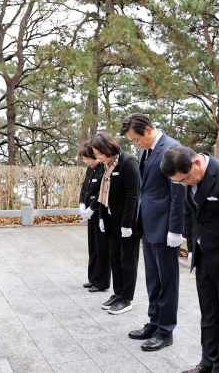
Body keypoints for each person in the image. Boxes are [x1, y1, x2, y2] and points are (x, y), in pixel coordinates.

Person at [160, 146, 219, 373]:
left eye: (185, 179)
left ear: (196, 163)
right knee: (209, 315)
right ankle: (206, 363)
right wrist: (192, 247)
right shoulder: (186, 180)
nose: (184, 184)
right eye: (178, 182)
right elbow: (190, 215)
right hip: (203, 258)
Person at [120, 113, 184, 352]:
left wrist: (175, 229)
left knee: (167, 281)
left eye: (136, 139)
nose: (135, 144)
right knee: (153, 279)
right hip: (147, 225)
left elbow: (178, 193)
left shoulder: (172, 149)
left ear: (148, 130)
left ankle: (165, 330)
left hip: (165, 227)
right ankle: (154, 321)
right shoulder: (145, 151)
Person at [91, 132, 140, 315]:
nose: (98, 157)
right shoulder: (107, 165)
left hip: (126, 222)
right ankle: (118, 293)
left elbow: (132, 195)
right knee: (115, 258)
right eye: (96, 154)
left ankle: (127, 298)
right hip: (111, 218)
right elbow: (104, 194)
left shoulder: (128, 162)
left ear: (107, 148)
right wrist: (102, 217)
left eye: (99, 153)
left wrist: (127, 224)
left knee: (127, 260)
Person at [78, 141, 110, 292]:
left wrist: (93, 207)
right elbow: (85, 187)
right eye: (84, 159)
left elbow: (101, 192)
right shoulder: (90, 169)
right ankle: (93, 278)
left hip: (100, 214)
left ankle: (102, 281)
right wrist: (82, 204)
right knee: (93, 247)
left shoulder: (104, 168)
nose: (87, 162)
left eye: (88, 158)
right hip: (90, 215)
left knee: (102, 248)